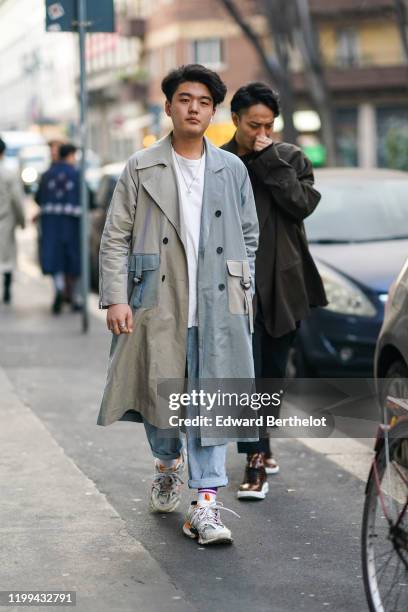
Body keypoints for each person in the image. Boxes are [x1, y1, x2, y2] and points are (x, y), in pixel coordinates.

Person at [98, 64, 259, 545]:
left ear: (213, 111)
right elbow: (115, 237)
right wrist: (115, 299)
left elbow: (249, 235)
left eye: (205, 102)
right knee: (161, 403)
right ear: (168, 106)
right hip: (158, 303)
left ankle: (205, 506)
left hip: (217, 308)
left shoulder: (232, 169)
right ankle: (167, 465)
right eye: (185, 99)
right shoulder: (141, 165)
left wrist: (240, 286)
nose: (194, 108)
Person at [222, 82, 327, 500]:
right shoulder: (220, 161)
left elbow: (301, 205)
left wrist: (270, 159)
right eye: (253, 125)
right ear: (235, 120)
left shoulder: (290, 158)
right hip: (234, 282)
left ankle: (263, 444)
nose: (261, 132)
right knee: (245, 375)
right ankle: (254, 458)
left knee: (271, 375)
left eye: (268, 125)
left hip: (282, 283)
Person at [36, 143, 81, 313]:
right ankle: (76, 297)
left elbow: (38, 198)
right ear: (70, 155)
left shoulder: (47, 175)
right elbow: (89, 199)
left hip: (51, 223)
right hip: (72, 223)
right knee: (74, 257)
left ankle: (59, 288)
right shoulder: (76, 174)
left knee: (55, 257)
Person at [0, 137, 25, 304]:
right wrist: (22, 221)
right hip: (5, 221)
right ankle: (7, 290)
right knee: (6, 259)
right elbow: (17, 200)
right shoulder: (8, 174)